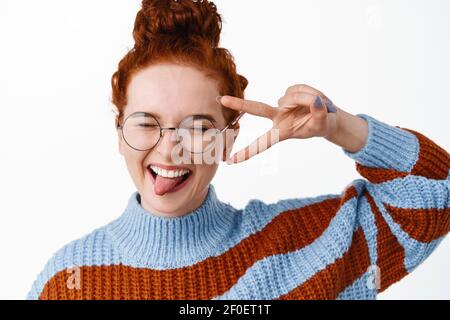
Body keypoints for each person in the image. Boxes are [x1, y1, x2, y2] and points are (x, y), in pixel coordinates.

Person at [26, 0, 450, 300]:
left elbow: (436, 191)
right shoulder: (68, 281)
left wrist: (339, 127)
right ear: (120, 132)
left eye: (198, 126)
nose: (170, 147)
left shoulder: (305, 248)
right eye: (147, 123)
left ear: (229, 138)